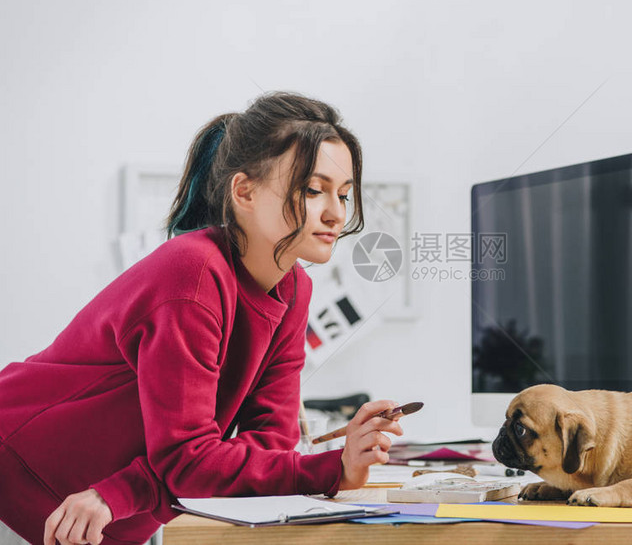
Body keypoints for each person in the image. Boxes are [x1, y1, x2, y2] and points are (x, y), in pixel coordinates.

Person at [0, 92, 403, 545]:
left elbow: (268, 442)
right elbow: (188, 463)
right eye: (313, 190)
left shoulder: (293, 290)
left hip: (101, 511)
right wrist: (335, 468)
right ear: (244, 192)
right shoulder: (193, 274)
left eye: (344, 194)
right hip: (19, 479)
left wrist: (125, 491)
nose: (335, 212)